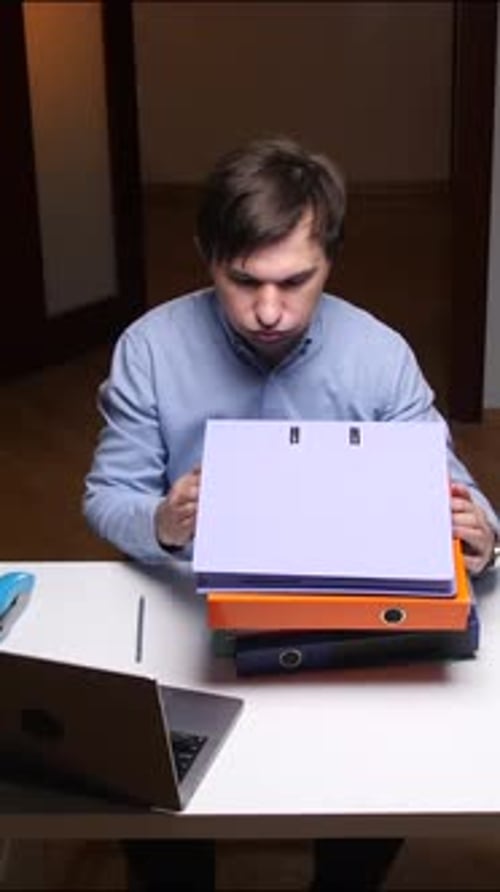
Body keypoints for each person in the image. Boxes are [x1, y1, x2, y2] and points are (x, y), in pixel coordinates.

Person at [83, 137, 498, 891]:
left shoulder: (378, 354)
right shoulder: (150, 348)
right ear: (208, 256)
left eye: (295, 281)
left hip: (345, 613)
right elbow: (107, 497)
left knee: (386, 775)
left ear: (329, 259)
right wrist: (164, 521)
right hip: (191, 609)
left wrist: (483, 537)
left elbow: (457, 490)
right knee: (141, 778)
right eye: (243, 281)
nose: (269, 311)